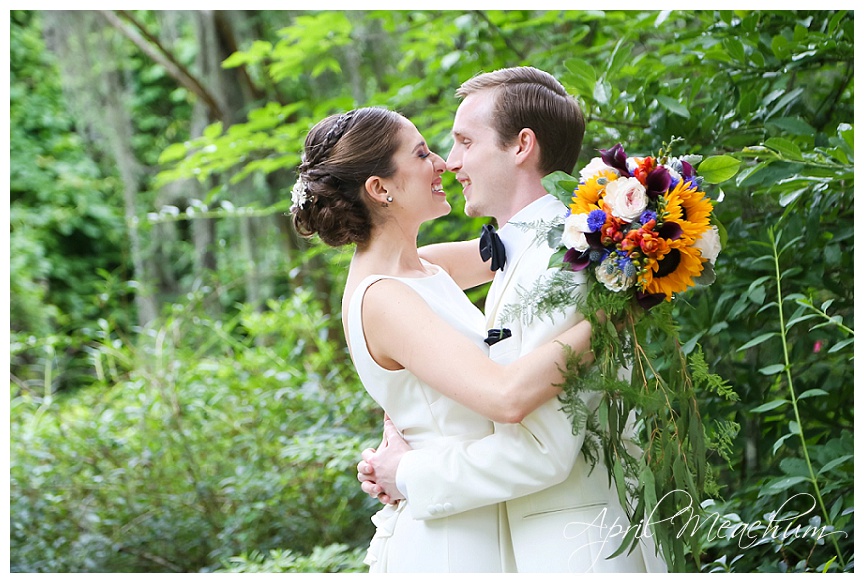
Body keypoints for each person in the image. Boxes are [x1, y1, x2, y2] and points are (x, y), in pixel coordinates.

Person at [356, 67, 667, 573]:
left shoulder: (562, 264)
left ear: (522, 146)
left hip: (575, 547)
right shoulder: (542, 249)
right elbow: (414, 289)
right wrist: (406, 406)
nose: (450, 162)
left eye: (463, 141)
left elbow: (542, 449)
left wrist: (408, 472)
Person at [291, 105, 597, 572]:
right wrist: (612, 324)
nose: (444, 163)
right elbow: (505, 396)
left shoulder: (425, 266)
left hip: (488, 505)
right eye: (421, 154)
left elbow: (531, 236)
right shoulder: (384, 298)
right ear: (380, 188)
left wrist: (628, 222)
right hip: (453, 539)